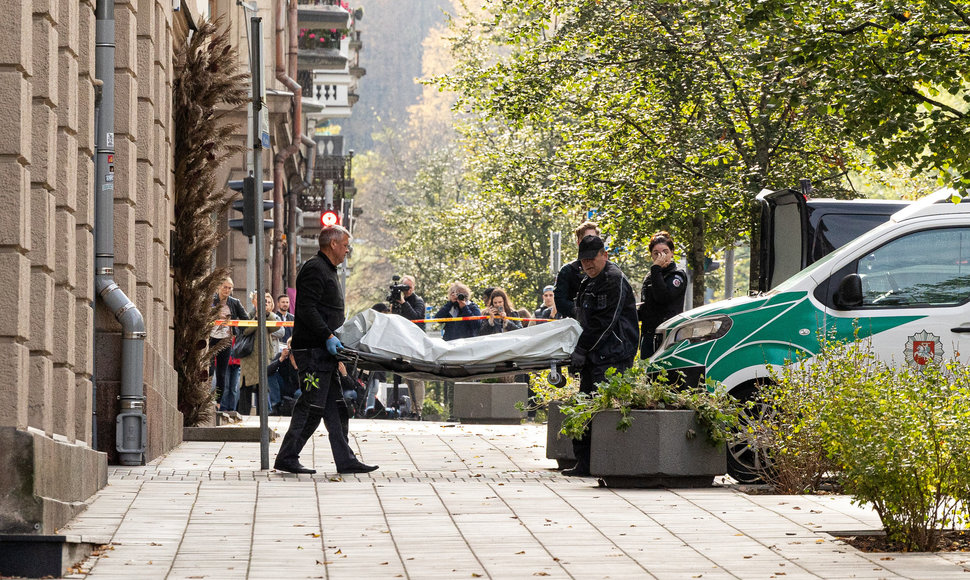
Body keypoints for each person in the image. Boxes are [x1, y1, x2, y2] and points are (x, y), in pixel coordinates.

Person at [274, 225, 378, 475]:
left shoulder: (327, 270)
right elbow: (307, 309)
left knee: (336, 407)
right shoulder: (315, 269)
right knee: (311, 406)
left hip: (324, 353)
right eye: (345, 245)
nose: (347, 250)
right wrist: (328, 335)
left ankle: (345, 459)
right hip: (313, 351)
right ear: (332, 244)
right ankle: (287, 456)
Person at [565, 235, 639, 477]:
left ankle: (608, 464)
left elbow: (604, 323)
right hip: (594, 355)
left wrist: (581, 349)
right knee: (584, 407)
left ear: (604, 255)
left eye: (591, 259)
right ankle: (584, 463)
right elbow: (582, 320)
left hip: (613, 356)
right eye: (583, 260)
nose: (587, 264)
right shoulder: (588, 282)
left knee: (604, 411)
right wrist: (577, 352)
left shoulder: (613, 280)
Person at [638, 231, 688, 359]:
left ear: (672, 252)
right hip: (648, 334)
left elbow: (662, 297)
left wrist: (656, 269)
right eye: (656, 253)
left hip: (667, 336)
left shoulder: (677, 275)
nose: (661, 256)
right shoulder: (650, 277)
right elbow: (647, 305)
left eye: (665, 252)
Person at [238, 292, 284, 415]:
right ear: (254, 302)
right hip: (249, 357)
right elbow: (245, 331)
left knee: (263, 387)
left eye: (266, 301)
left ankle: (262, 415)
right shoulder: (249, 315)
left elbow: (276, 329)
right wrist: (257, 318)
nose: (263, 303)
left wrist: (267, 314)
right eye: (260, 300)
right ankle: (244, 414)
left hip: (264, 356)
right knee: (246, 387)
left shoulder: (270, 316)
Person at [390, 275, 426, 416]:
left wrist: (404, 302)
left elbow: (416, 317)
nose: (407, 290)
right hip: (402, 340)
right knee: (407, 376)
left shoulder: (418, 301)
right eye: (405, 287)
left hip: (415, 341)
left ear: (414, 287)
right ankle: (411, 409)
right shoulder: (398, 300)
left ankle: (417, 410)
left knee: (416, 376)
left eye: (409, 288)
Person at [210, 277, 248, 410]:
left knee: (221, 373)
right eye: (225, 287)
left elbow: (246, 320)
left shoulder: (234, 302)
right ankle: (205, 398)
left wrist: (237, 331)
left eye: (230, 288)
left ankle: (218, 401)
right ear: (219, 287)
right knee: (209, 370)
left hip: (226, 340)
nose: (227, 290)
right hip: (210, 338)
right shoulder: (211, 300)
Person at [554, 221, 600, 319]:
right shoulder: (568, 270)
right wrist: (583, 310)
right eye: (586, 239)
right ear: (579, 242)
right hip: (577, 324)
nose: (590, 242)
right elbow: (560, 302)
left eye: (594, 238)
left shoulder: (610, 270)